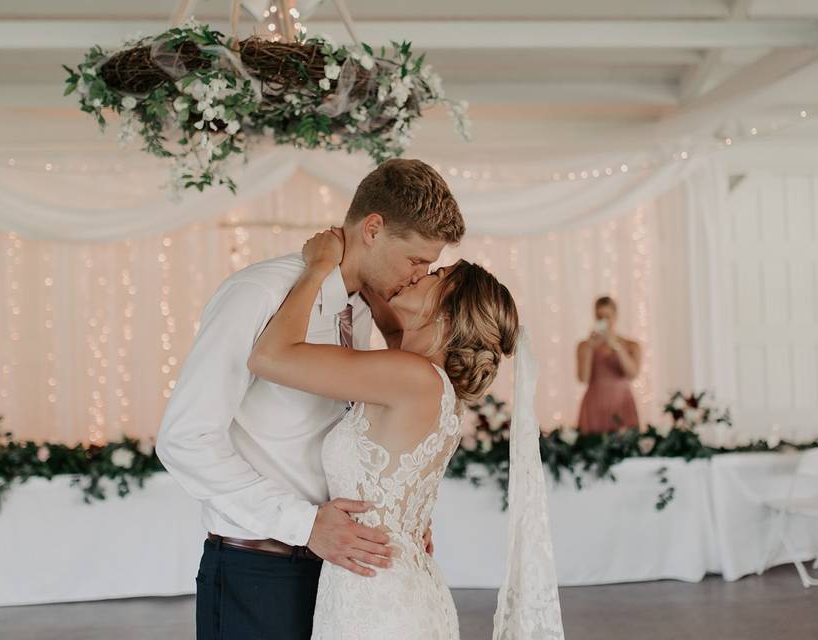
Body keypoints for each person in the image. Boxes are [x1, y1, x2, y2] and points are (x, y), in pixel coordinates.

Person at [156, 158, 465, 640]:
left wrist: (398, 518)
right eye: (416, 260)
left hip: (341, 576)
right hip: (258, 571)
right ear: (374, 228)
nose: (421, 274)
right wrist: (304, 525)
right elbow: (185, 439)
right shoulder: (258, 293)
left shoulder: (366, 312)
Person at [248, 228, 562, 638]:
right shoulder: (428, 380)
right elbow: (385, 305)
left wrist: (319, 266)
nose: (419, 274)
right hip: (389, 590)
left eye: (436, 274)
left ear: (448, 310)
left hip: (377, 603)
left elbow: (270, 356)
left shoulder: (411, 378)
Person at [576, 295, 641, 434]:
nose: (604, 321)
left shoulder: (631, 345)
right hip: (594, 404)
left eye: (608, 316)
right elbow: (583, 378)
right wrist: (590, 348)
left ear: (615, 316)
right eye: (600, 316)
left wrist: (616, 346)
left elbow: (632, 374)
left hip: (623, 404)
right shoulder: (585, 346)